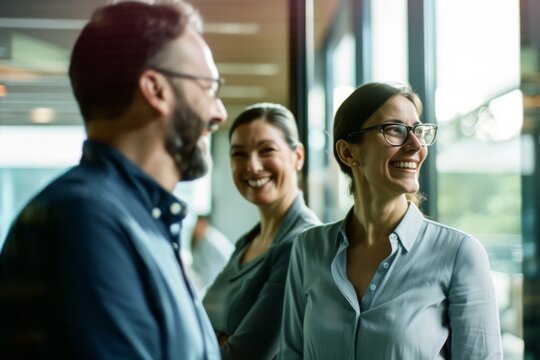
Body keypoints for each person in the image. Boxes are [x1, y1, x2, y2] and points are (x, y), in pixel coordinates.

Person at [0, 1, 227, 359]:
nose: (219, 112)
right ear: (155, 89)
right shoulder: (84, 220)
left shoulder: (137, 220)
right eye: (209, 88)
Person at [278, 82, 503, 359]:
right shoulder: (309, 248)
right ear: (348, 153)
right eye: (395, 129)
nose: (416, 145)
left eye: (418, 131)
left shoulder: (459, 254)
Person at [203, 103, 321, 359]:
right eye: (239, 154)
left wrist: (216, 339)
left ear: (298, 157)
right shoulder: (248, 242)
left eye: (266, 150)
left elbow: (244, 355)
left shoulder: (300, 243)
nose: (252, 166)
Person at [190, 214, 234, 292]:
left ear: (202, 223)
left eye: (196, 225)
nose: (194, 229)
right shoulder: (202, 239)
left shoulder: (211, 240)